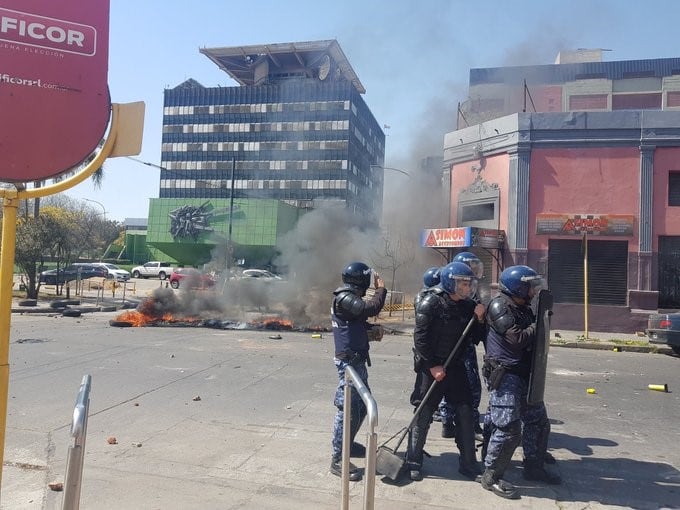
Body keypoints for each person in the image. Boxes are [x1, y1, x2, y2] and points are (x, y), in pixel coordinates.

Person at [480, 265, 561, 500]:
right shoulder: (499, 306)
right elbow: (517, 338)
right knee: (508, 429)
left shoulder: (523, 306)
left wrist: (539, 318)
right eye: (530, 286)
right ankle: (491, 476)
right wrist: (540, 324)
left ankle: (533, 467)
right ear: (517, 287)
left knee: (538, 422)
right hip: (506, 374)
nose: (534, 290)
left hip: (526, 374)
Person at [406, 261, 487, 482]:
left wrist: (480, 318)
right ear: (450, 283)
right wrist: (433, 365)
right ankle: (413, 460)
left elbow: (477, 338)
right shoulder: (431, 302)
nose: (466, 287)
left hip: (456, 367)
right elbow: (420, 338)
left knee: (466, 413)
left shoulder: (467, 305)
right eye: (462, 283)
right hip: (431, 368)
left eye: (468, 283)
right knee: (423, 414)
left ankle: (469, 464)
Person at [329, 261, 386, 482]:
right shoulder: (344, 297)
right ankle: (337, 458)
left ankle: (348, 444)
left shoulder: (348, 298)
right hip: (348, 365)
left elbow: (356, 321)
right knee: (349, 410)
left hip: (357, 362)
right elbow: (368, 309)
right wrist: (380, 289)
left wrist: (369, 331)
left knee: (362, 408)